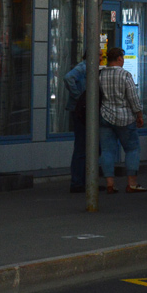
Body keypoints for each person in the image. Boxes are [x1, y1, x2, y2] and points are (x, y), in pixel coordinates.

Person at [99, 46, 146, 194]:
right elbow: (133, 98)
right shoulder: (125, 75)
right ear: (119, 58)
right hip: (125, 118)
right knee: (132, 149)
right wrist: (139, 115)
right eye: (123, 58)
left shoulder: (100, 74)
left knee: (107, 150)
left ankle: (110, 184)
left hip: (105, 116)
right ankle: (132, 183)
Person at [63, 56, 88, 193]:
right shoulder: (83, 67)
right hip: (80, 111)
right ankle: (78, 181)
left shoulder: (87, 67)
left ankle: (84, 180)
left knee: (86, 146)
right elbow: (68, 78)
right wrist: (79, 97)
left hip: (81, 109)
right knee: (81, 146)